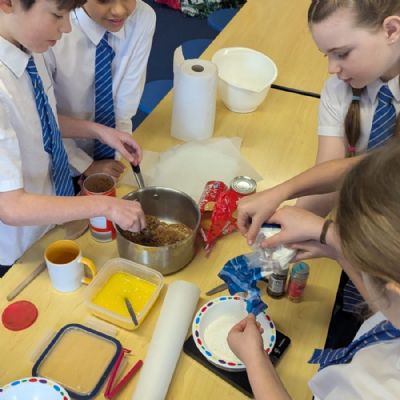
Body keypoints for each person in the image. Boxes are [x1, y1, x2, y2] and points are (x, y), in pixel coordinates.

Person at [228, 141, 400, 399]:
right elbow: (388, 303)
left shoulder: (379, 387)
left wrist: (255, 361)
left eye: (359, 258)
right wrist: (332, 244)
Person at [0, 0, 146, 276]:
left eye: (69, 15)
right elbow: (11, 206)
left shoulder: (30, 47)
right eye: (57, 15)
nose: (67, 27)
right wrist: (107, 206)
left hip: (47, 222)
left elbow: (40, 120)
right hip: (14, 250)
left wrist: (100, 132)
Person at [238, 0, 400, 244]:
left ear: (392, 30)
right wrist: (288, 226)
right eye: (327, 55)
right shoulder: (340, 89)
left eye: (342, 53)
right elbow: (330, 175)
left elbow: (385, 166)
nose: (331, 67)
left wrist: (288, 193)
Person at [44, 0, 155, 183]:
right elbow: (42, 116)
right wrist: (83, 164)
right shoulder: (53, 28)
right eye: (104, 0)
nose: (119, 10)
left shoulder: (142, 17)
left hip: (105, 147)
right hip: (53, 152)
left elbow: (125, 102)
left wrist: (117, 152)